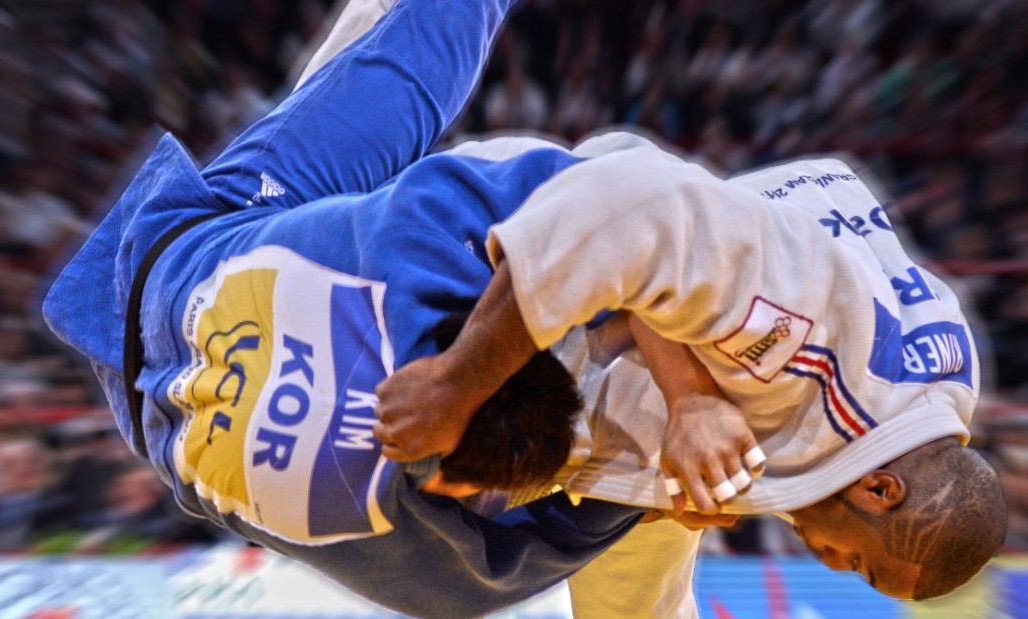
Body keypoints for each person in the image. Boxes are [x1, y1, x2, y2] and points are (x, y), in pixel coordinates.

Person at [42, 1, 652, 616]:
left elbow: (601, 208)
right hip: (163, 396)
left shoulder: (415, 247)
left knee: (410, 76)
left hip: (176, 269)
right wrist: (634, 495)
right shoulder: (390, 536)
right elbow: (520, 560)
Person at [372, 142, 1009, 602]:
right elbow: (626, 198)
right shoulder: (810, 353)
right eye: (860, 565)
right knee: (432, 529)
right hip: (504, 251)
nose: (835, 566)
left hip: (665, 297)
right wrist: (691, 401)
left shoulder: (938, 405)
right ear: (880, 491)